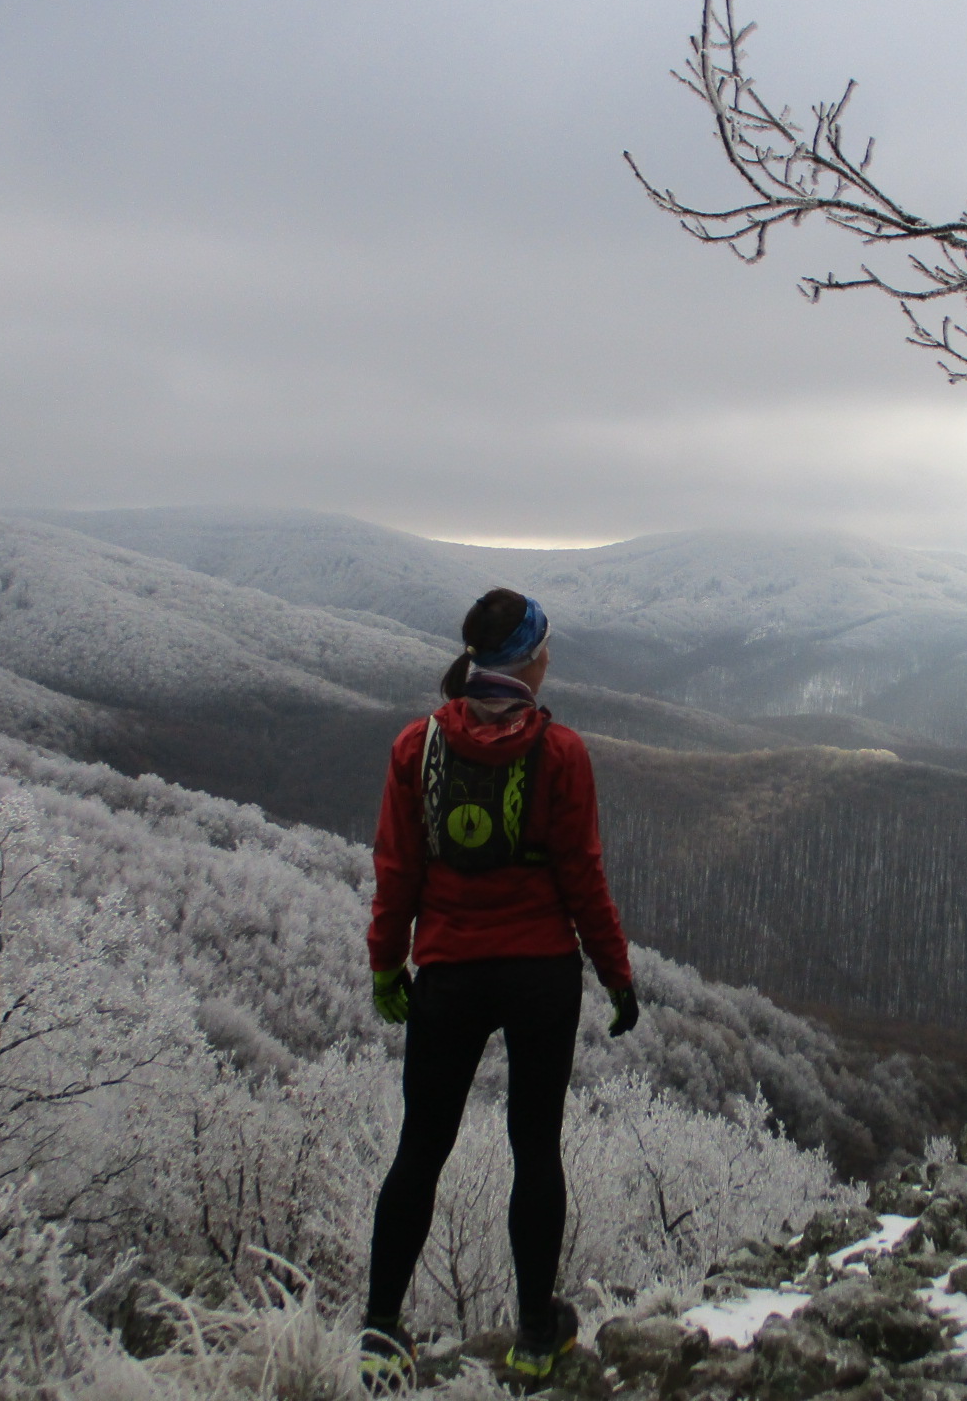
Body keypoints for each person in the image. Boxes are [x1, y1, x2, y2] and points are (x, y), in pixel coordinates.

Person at [359, 588, 639, 1391]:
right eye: (545, 649)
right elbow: (583, 877)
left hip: (447, 971)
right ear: (529, 660)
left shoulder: (417, 746)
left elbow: (395, 870)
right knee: (534, 1148)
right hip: (541, 975)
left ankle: (381, 1330)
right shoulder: (560, 754)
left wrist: (388, 964)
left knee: (421, 1149)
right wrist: (616, 975)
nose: (551, 660)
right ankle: (533, 1336)